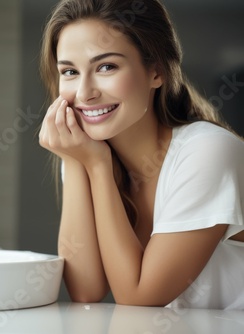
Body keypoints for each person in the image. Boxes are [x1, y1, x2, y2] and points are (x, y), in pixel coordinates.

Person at [38, 0, 244, 310]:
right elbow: (85, 290)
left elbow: (139, 297)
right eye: (69, 71)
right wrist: (76, 161)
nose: (84, 93)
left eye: (106, 66)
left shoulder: (207, 151)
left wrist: (95, 164)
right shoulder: (88, 153)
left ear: (156, 72)